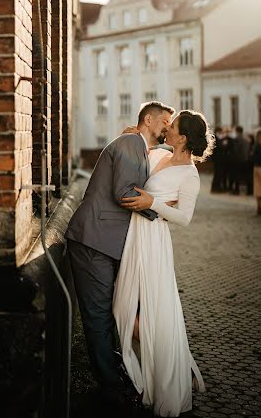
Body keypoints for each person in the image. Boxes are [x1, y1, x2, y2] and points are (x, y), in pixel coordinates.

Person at [65, 101, 174, 408]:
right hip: (93, 241)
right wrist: (161, 210)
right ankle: (111, 389)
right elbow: (125, 193)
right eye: (165, 121)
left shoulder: (137, 146)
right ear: (149, 120)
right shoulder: (129, 143)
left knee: (115, 312)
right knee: (98, 317)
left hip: (109, 243)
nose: (168, 127)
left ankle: (116, 376)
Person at [114, 110, 214, 417]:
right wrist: (129, 135)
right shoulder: (157, 153)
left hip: (154, 241)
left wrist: (153, 203)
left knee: (153, 311)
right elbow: (128, 162)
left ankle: (162, 372)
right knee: (120, 307)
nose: (166, 127)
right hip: (133, 235)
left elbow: (184, 217)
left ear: (182, 138)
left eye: (173, 126)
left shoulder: (190, 176)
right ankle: (144, 368)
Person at [231, 126, 249, 195]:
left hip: (238, 160)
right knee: (245, 176)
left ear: (237, 131)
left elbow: (235, 150)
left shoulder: (237, 139)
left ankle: (236, 190)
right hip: (245, 160)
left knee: (237, 176)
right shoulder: (246, 140)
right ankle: (248, 191)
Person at [253, 130, 261, 215]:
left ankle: (259, 208)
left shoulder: (256, 146)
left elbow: (253, 157)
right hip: (257, 167)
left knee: (258, 189)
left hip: (257, 168)